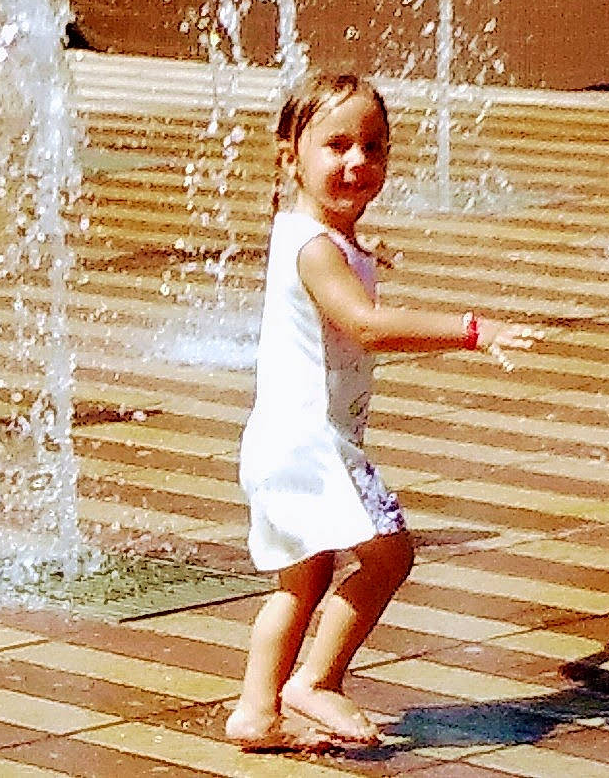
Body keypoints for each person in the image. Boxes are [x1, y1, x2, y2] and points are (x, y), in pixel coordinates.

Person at [225, 71, 538, 750]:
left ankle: (256, 711)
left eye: (373, 146)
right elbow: (364, 326)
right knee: (389, 556)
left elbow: (331, 265)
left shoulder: (313, 234)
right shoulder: (315, 249)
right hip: (312, 444)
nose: (357, 161)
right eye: (335, 145)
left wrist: (362, 247)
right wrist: (472, 329)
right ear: (290, 157)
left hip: (286, 438)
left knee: (301, 580)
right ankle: (316, 682)